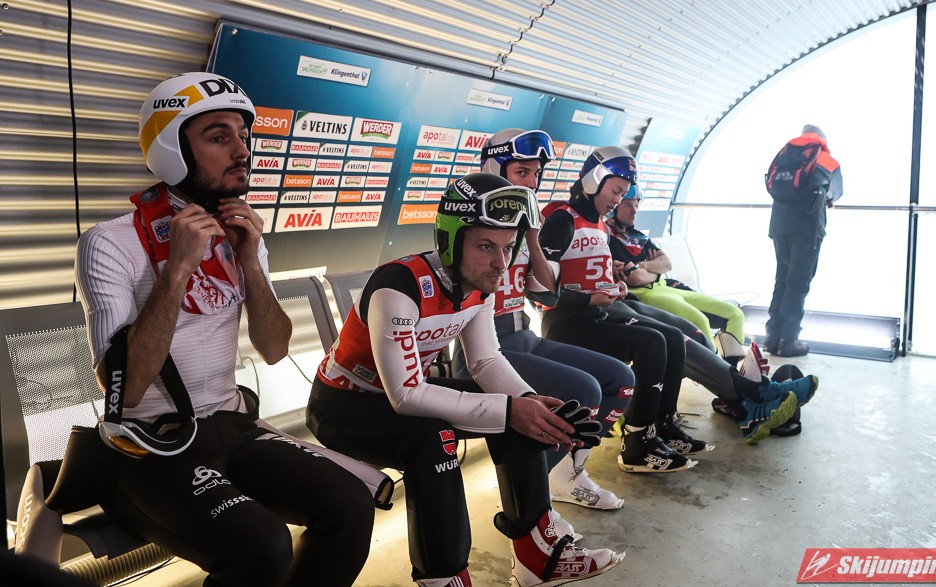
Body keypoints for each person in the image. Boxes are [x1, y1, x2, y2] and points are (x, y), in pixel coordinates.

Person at [74, 72, 384, 586]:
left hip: (230, 425)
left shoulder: (241, 233)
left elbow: (275, 349)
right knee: (264, 546)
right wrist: (176, 269)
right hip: (148, 447)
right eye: (219, 137)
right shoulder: (109, 242)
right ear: (173, 149)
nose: (242, 150)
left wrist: (251, 264)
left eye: (243, 135)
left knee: (352, 505)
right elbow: (123, 392)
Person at [306, 172, 624, 587]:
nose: (501, 263)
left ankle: (538, 556)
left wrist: (529, 401)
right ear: (450, 242)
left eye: (508, 247)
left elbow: (486, 362)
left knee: (527, 415)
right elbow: (406, 395)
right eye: (486, 246)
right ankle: (444, 577)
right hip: (341, 405)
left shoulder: (480, 283)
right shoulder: (398, 285)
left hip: (399, 394)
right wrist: (510, 410)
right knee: (436, 437)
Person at [534, 146, 810, 452]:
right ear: (594, 180)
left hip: (609, 305)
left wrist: (615, 281)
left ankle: (739, 397)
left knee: (684, 332)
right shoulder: (564, 218)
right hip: (582, 316)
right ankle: (747, 397)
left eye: (627, 196)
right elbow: (541, 289)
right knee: (663, 338)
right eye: (617, 192)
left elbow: (607, 270)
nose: (620, 202)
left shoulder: (602, 225)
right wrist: (595, 296)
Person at [471, 128, 636, 511]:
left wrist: (531, 237)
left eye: (536, 174)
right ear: (495, 169)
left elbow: (547, 294)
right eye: (522, 172)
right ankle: (532, 503)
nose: (532, 183)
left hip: (522, 334)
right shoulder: (469, 226)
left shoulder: (522, 227)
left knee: (621, 380)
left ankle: (565, 473)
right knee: (586, 391)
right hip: (485, 348)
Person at [606, 183, 746, 345]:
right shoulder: (607, 238)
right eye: (628, 205)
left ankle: (732, 360)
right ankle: (715, 361)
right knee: (699, 321)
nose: (634, 210)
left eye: (636, 205)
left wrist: (644, 266)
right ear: (615, 207)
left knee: (735, 314)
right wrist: (654, 269)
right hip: (644, 295)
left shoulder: (637, 236)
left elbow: (666, 263)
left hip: (665, 287)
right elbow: (635, 278)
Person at [765, 125, 844, 357]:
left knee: (782, 279)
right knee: (798, 283)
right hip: (807, 227)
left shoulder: (785, 156)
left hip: (779, 226)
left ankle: (772, 337)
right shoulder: (827, 160)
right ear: (823, 140)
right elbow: (836, 193)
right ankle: (789, 340)